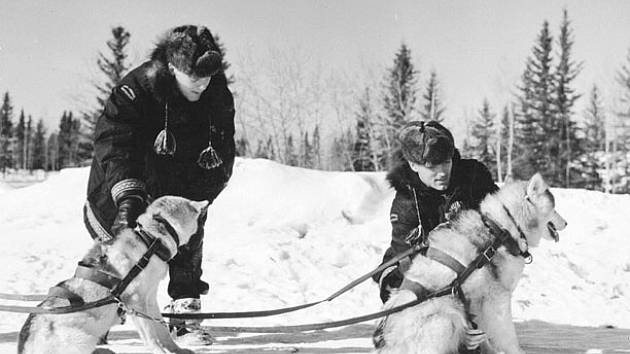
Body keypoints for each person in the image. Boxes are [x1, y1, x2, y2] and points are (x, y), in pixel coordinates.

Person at [83, 25, 235, 345]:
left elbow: (223, 151)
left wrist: (196, 200)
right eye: (195, 76)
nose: (203, 84)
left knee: (185, 235)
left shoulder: (215, 93)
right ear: (173, 67)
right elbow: (114, 143)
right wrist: (128, 196)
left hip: (179, 181)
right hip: (121, 186)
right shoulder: (137, 88)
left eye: (208, 77)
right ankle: (96, 316)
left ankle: (184, 314)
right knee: (121, 252)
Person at [373, 120, 498, 351]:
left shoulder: (473, 177)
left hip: (472, 268)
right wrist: (459, 322)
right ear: (413, 165)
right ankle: (391, 326)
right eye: (431, 166)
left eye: (446, 162)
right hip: (416, 274)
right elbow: (414, 272)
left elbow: (501, 216)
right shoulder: (406, 205)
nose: (441, 173)